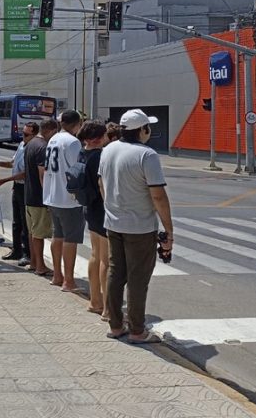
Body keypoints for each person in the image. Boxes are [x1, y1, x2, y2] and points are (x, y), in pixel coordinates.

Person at [99, 109, 174, 344]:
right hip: (140, 227)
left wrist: (112, 207)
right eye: (147, 127)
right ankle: (137, 330)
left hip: (113, 222)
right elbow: (158, 196)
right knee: (138, 279)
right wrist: (168, 230)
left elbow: (101, 182)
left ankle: (115, 325)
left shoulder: (108, 149)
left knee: (115, 273)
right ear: (142, 130)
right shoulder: (147, 155)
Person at [42, 109, 84, 292]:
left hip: (52, 195)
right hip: (68, 198)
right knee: (70, 239)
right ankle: (68, 280)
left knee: (57, 236)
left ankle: (57, 275)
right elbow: (77, 170)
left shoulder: (54, 139)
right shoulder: (73, 142)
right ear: (77, 124)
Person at [76, 120, 111, 317]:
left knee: (95, 256)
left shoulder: (82, 153)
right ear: (99, 137)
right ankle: (106, 308)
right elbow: (102, 185)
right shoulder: (99, 156)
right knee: (106, 260)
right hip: (101, 208)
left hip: (88, 207)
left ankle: (94, 301)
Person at [0, 122, 36, 264]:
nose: (23, 137)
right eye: (22, 134)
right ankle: (16, 249)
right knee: (16, 221)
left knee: (26, 223)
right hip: (17, 187)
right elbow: (12, 164)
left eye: (26, 135)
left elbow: (26, 173)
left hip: (26, 187)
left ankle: (28, 253)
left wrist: (5, 179)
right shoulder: (21, 145)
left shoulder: (33, 149)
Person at [24, 118, 58, 276]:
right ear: (51, 131)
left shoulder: (30, 144)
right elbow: (42, 174)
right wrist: (48, 197)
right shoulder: (43, 147)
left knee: (33, 231)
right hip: (39, 198)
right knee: (39, 233)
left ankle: (34, 262)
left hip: (29, 195)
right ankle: (40, 266)